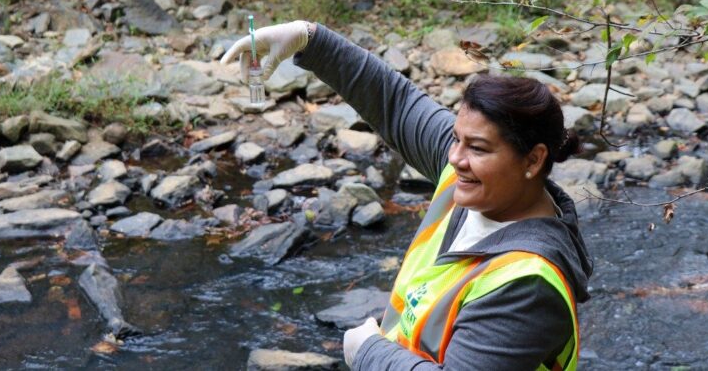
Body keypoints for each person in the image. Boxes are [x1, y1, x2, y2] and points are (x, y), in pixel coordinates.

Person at [221, 21, 593, 371]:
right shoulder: (475, 183)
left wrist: (369, 353)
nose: (454, 158)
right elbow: (396, 103)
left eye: (477, 148)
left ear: (533, 159)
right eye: (455, 138)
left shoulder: (527, 284)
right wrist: (310, 38)